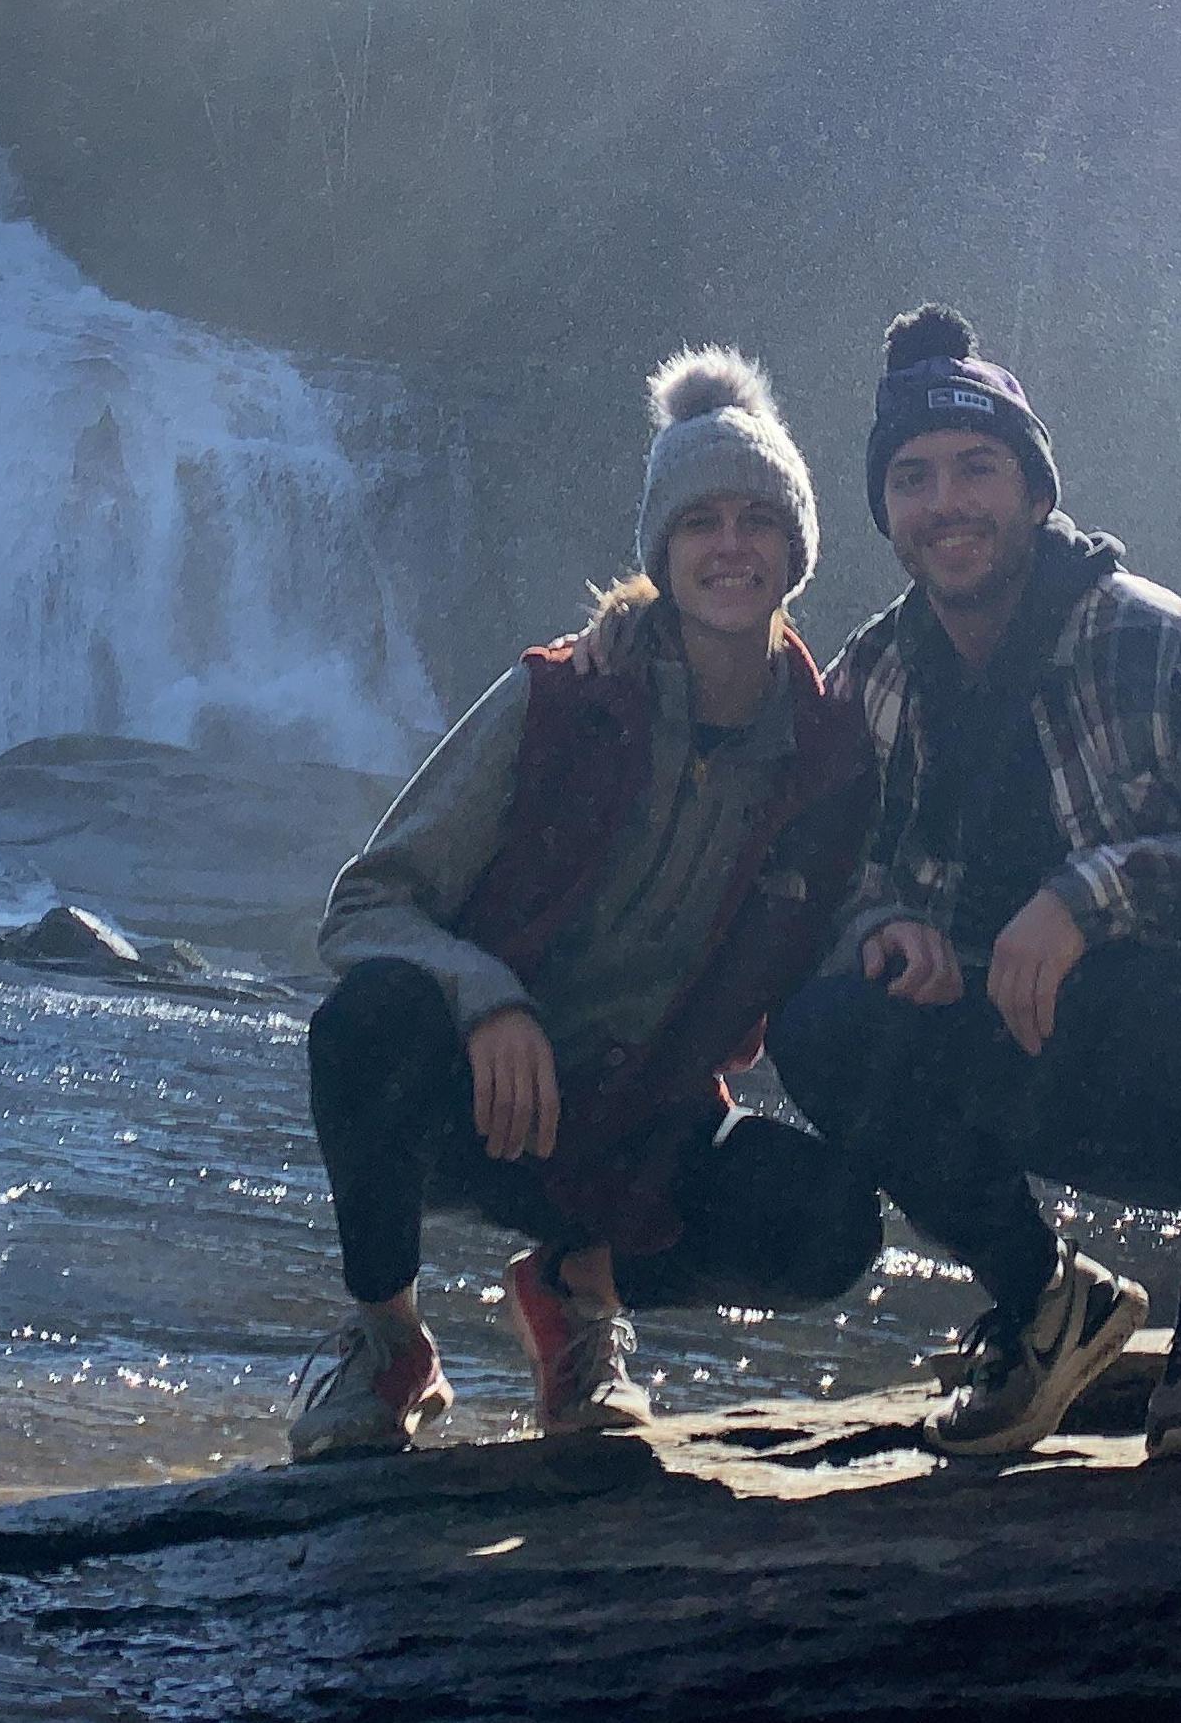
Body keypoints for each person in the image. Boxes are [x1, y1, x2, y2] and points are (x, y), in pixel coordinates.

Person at [765, 306, 1181, 1462]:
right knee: (822, 1021)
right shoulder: (873, 675)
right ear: (884, 512)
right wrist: (882, 926)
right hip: (1056, 1074)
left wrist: (1090, 893)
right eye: (912, 478)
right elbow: (825, 877)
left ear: (1033, 493)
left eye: (977, 468)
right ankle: (1042, 1301)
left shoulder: (1153, 641)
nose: (946, 501)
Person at [287, 349, 884, 1462]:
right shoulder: (557, 694)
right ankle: (389, 1345)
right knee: (365, 1023)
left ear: (795, 551)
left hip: (643, 1127)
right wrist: (484, 997)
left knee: (831, 1225)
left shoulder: (823, 753)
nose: (729, 545)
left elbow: (833, 932)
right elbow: (365, 903)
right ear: (661, 549)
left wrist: (893, 937)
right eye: (700, 520)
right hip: (489, 1101)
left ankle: (577, 1293)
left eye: (757, 519)